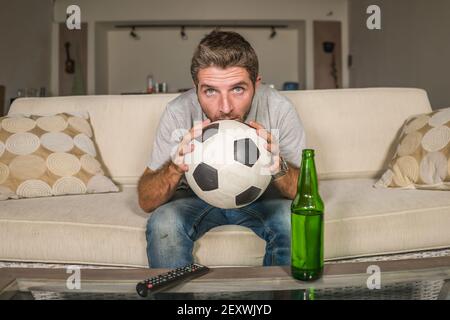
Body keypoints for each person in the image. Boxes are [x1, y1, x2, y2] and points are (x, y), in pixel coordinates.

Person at [138, 30, 306, 268]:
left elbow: (306, 191)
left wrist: (279, 167)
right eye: (210, 91)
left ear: (256, 85)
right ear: (196, 88)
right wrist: (175, 168)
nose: (225, 108)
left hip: (261, 198)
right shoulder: (177, 112)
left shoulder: (279, 109)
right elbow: (146, 200)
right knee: (164, 223)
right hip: (195, 200)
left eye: (238, 89)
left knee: (293, 221)